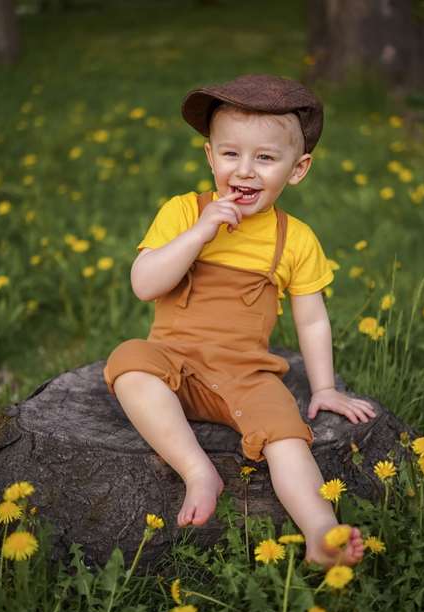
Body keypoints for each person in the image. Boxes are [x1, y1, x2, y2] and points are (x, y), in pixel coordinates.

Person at [104, 74, 376, 568]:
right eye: (231, 155)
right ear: (210, 156)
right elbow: (145, 283)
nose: (245, 171)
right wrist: (200, 233)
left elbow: (312, 319)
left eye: (265, 158)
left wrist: (324, 388)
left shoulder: (294, 239)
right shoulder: (185, 211)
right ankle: (197, 471)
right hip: (174, 364)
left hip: (244, 374)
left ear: (298, 169)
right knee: (128, 362)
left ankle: (321, 532)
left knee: (286, 434)